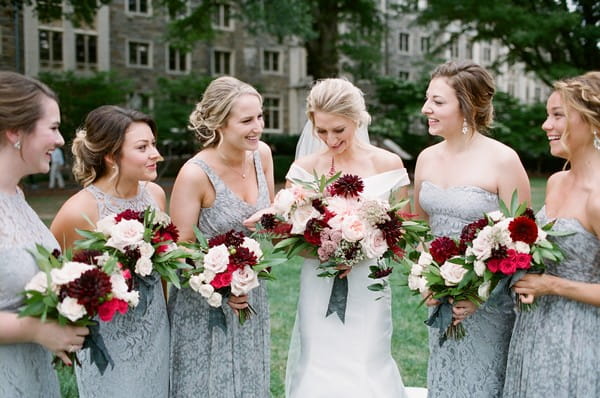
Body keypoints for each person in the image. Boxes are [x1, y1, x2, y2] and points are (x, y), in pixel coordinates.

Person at [280, 78, 410, 397]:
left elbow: (402, 234)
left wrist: (364, 244)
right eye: (321, 130)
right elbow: (289, 238)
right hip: (319, 281)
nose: (329, 139)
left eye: (338, 129)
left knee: (367, 359)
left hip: (369, 282)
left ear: (357, 119)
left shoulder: (388, 165)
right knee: (319, 359)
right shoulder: (303, 169)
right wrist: (330, 247)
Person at [413, 61, 531, 398]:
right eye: (427, 99)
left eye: (437, 102)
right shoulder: (426, 159)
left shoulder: (503, 160)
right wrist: (426, 278)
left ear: (466, 105)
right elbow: (423, 228)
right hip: (442, 298)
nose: (426, 109)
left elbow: (523, 241)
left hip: (489, 304)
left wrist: (479, 295)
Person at [50, 105, 168, 397]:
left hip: (157, 333)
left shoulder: (156, 196)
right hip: (109, 343)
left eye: (153, 143)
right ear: (111, 156)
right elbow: (55, 282)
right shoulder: (79, 211)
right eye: (143, 147)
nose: (156, 153)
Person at [168, 76, 275, 397]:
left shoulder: (262, 155)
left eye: (259, 116)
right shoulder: (195, 174)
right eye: (246, 120)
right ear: (219, 124)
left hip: (250, 292)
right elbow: (179, 251)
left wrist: (273, 219)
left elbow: (269, 217)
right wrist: (222, 285)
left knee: (249, 379)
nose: (258, 126)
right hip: (204, 302)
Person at [503, 72, 600, 397]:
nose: (546, 124)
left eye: (558, 115)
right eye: (548, 115)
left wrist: (552, 285)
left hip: (579, 334)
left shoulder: (597, 198)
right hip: (534, 328)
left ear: (593, 121)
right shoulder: (558, 182)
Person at [0, 71, 89, 397]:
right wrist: (36, 329)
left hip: (34, 375)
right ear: (14, 132)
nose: (61, 140)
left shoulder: (16, 197)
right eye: (52, 128)